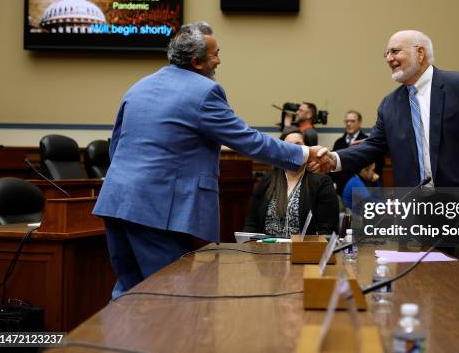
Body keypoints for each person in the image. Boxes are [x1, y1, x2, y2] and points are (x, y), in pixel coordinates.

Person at [93, 21, 323, 297]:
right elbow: (246, 139)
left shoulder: (138, 86)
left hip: (116, 202)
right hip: (158, 210)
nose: (219, 60)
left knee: (128, 291)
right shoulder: (204, 92)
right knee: (168, 297)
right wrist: (304, 153)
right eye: (215, 54)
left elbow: (116, 145)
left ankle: (115, 341)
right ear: (197, 62)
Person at [311, 30, 459, 189]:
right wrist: (334, 159)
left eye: (395, 51)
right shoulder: (389, 105)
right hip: (414, 210)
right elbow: (372, 146)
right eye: (386, 54)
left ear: (420, 53)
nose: (389, 59)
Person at [243, 128, 338, 236]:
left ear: (308, 150)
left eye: (298, 144)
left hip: (304, 250)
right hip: (265, 249)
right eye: (288, 145)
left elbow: (327, 228)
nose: (293, 149)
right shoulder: (268, 180)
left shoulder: (321, 182)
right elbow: (251, 223)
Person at [330, 110, 370, 196]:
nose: (348, 124)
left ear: (359, 123)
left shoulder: (367, 141)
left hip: (362, 186)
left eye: (352, 121)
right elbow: (333, 164)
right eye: (347, 121)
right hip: (341, 187)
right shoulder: (339, 142)